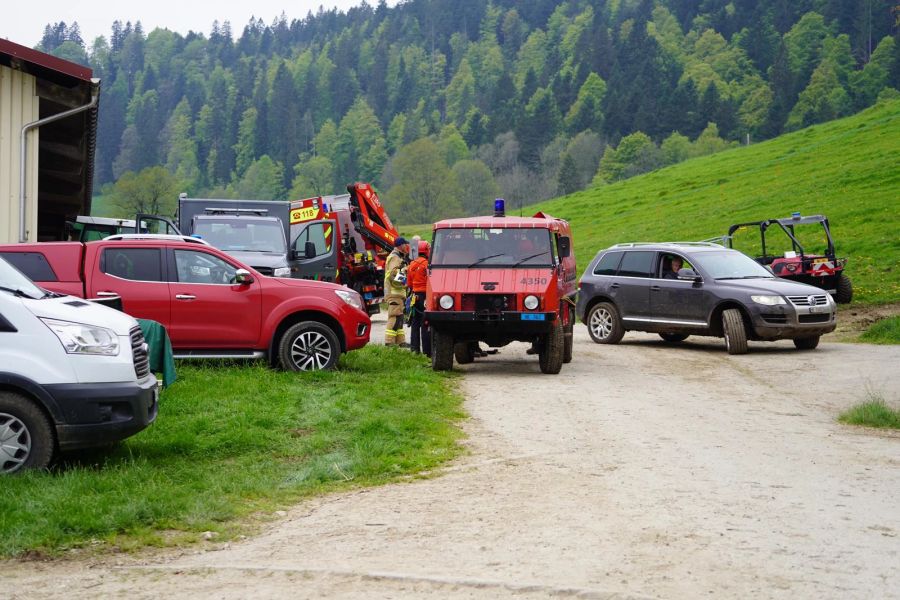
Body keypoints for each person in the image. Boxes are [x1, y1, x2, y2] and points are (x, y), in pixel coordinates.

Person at [406, 240, 431, 357]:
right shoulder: (427, 264)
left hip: (414, 296)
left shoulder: (411, 264)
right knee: (425, 323)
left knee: (415, 323)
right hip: (425, 296)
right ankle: (427, 351)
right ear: (426, 251)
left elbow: (409, 283)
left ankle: (414, 350)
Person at [384, 237, 410, 346]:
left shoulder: (398, 256)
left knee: (399, 317)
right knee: (394, 316)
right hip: (394, 292)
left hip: (398, 293)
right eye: (405, 244)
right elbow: (393, 274)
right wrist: (405, 280)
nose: (407, 247)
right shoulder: (395, 257)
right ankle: (389, 342)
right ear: (401, 245)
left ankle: (401, 341)